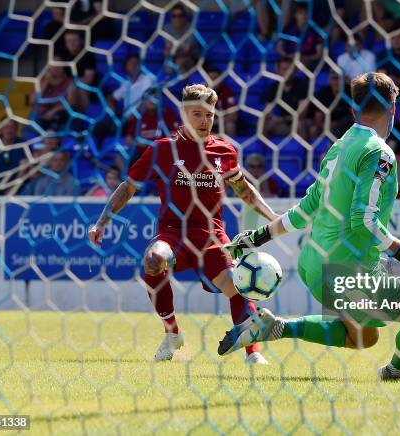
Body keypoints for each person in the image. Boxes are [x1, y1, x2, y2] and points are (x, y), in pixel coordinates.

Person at [218, 72, 400, 381]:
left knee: (363, 336)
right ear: (393, 108)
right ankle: (398, 370)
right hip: (348, 270)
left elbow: (307, 208)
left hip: (314, 266)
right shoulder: (379, 152)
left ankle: (277, 326)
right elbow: (364, 220)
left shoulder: (340, 146)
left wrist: (258, 237)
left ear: (353, 109)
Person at [88, 84, 279, 364]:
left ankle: (253, 353)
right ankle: (172, 333)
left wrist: (274, 218)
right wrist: (102, 221)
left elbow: (245, 190)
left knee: (238, 285)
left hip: (213, 238)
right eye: (197, 114)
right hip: (173, 234)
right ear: (184, 114)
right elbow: (128, 187)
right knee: (153, 260)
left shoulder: (225, 152)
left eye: (209, 115)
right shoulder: (161, 150)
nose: (205, 121)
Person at [262, 57, 309, 137]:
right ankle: (262, 149)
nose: (287, 73)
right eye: (283, 69)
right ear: (278, 71)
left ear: (294, 71)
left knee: (300, 125)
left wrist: (280, 120)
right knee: (264, 125)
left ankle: (305, 149)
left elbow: (301, 115)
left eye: (289, 69)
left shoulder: (303, 86)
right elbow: (267, 112)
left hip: (300, 122)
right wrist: (273, 119)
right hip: (282, 124)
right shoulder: (273, 88)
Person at [300, 71, 352, 141]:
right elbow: (318, 116)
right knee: (312, 129)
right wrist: (325, 126)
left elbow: (353, 114)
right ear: (330, 81)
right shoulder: (323, 93)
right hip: (326, 124)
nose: (337, 82)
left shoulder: (349, 91)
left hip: (345, 125)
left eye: (339, 79)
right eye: (334, 79)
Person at [277, 2, 323, 70]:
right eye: (300, 13)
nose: (304, 16)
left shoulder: (316, 31)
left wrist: (304, 57)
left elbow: (319, 54)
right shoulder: (288, 28)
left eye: (306, 13)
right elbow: (279, 47)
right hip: (290, 59)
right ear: (295, 15)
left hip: (307, 61)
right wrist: (288, 56)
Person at [163, 3, 199, 73]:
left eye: (180, 15)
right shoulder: (167, 28)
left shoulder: (191, 28)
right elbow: (167, 49)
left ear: (185, 17)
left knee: (180, 62)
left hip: (192, 57)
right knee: (168, 64)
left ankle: (184, 83)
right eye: (174, 16)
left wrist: (173, 53)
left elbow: (187, 51)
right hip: (175, 57)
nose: (177, 18)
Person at [206, 66, 237, 137]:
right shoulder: (200, 92)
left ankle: (230, 147)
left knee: (230, 125)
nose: (213, 81)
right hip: (204, 122)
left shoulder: (226, 91)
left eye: (215, 78)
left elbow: (233, 115)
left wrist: (215, 122)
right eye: (210, 78)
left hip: (221, 122)